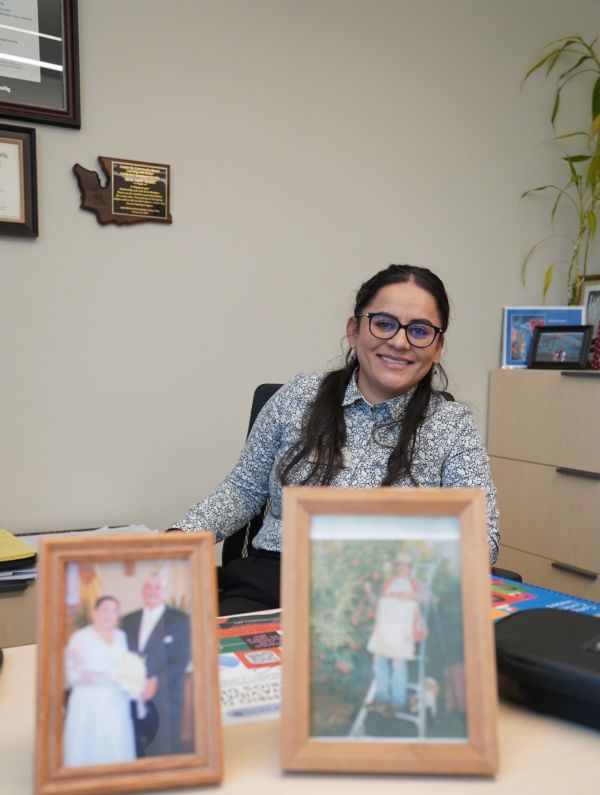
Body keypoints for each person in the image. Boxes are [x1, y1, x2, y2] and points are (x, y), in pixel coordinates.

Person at [171, 263, 500, 613]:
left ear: (437, 347)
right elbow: (242, 491)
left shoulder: (452, 425)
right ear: (354, 329)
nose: (400, 342)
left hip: (387, 595)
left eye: (419, 331)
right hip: (274, 581)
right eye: (384, 324)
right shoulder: (299, 396)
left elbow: (484, 537)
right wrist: (177, 542)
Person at [122, 569, 191, 757]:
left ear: (165, 592)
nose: (152, 591)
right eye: (148, 586)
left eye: (158, 587)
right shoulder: (128, 620)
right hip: (130, 698)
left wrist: (155, 682)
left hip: (165, 697)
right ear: (142, 590)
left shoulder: (180, 620)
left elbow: (181, 659)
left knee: (164, 753)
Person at [63, 595, 137, 767]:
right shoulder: (80, 638)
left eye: (114, 611)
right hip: (88, 702)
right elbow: (71, 675)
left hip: (116, 703)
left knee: (115, 744)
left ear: (118, 616)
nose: (108, 615)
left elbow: (126, 666)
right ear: (95, 612)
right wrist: (106, 677)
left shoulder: (121, 637)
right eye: (105, 609)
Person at [365, 553, 427, 715]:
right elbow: (377, 605)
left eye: (405, 565)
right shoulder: (388, 584)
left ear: (410, 568)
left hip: (403, 631)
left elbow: (428, 599)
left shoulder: (415, 584)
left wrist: (414, 596)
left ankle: (397, 703)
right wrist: (369, 593)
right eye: (399, 564)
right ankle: (382, 698)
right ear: (396, 567)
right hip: (384, 628)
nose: (402, 567)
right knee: (379, 661)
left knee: (399, 664)